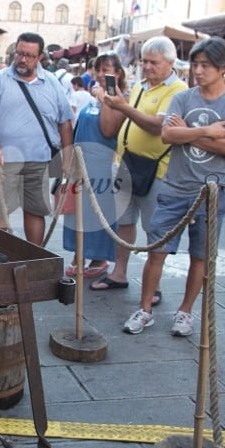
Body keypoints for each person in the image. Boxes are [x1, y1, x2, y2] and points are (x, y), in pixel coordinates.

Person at [123, 37, 225, 336]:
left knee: (201, 255)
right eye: (195, 64)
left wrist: (187, 133)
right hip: (175, 186)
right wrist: (207, 131)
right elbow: (167, 135)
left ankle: (185, 311)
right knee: (157, 249)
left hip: (213, 189)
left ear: (223, 68)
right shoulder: (183, 97)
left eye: (206, 65)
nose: (198, 71)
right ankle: (145, 308)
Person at [97, 37, 188, 300]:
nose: (147, 66)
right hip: (127, 164)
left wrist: (124, 107)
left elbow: (158, 126)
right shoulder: (141, 86)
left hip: (156, 169)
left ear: (169, 63)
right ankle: (119, 272)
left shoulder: (178, 90)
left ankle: (153, 285)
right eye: (144, 61)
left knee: (154, 229)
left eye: (153, 62)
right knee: (124, 222)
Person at [0, 32, 73, 246]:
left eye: (29, 56)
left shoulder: (51, 82)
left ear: (39, 57)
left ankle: (35, 255)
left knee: (35, 211)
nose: (22, 59)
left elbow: (65, 122)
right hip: (5, 161)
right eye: (19, 53)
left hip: (39, 160)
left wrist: (67, 158)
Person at [63, 53, 128, 279]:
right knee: (79, 212)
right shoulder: (92, 96)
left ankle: (98, 257)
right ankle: (79, 253)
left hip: (102, 166)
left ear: (117, 73)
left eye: (106, 70)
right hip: (82, 163)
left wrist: (105, 99)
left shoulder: (118, 99)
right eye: (97, 69)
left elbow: (109, 130)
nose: (100, 74)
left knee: (97, 213)